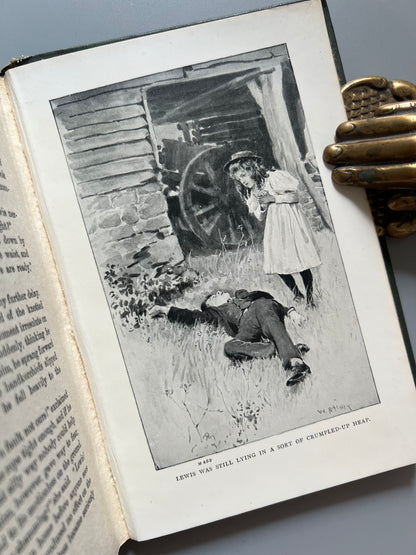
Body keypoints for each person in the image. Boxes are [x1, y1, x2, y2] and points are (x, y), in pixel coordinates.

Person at [150, 288, 311, 387]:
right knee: (229, 347)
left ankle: (296, 363)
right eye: (215, 295)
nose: (220, 292)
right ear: (212, 304)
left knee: (263, 307)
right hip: (247, 328)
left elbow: (269, 303)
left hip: (261, 310)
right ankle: (277, 348)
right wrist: (165, 310)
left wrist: (291, 312)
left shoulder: (246, 296)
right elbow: (191, 316)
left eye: (219, 292)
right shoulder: (215, 312)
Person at [224, 151, 321, 305]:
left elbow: (294, 197)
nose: (242, 181)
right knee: (277, 263)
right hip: (274, 227)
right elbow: (259, 216)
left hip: (289, 221)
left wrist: (273, 198)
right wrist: (263, 205)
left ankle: (310, 299)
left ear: (251, 169)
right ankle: (297, 294)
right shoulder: (251, 192)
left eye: (243, 175)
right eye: (238, 178)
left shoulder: (273, 178)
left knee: (299, 259)